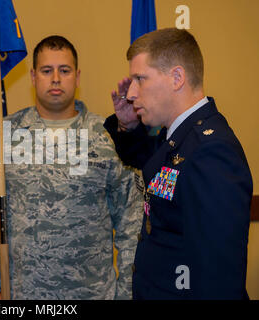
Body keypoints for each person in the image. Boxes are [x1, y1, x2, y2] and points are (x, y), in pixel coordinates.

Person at [0, 35, 143, 300]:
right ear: (33, 77)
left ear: (77, 77)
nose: (55, 78)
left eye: (64, 70)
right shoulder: (3, 136)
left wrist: (127, 293)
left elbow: (131, 224)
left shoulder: (108, 137)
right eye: (47, 71)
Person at [104, 28, 252, 299]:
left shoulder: (211, 151)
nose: (131, 93)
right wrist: (127, 124)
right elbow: (148, 162)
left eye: (140, 79)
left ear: (176, 78)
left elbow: (217, 276)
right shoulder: (177, 137)